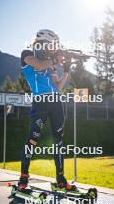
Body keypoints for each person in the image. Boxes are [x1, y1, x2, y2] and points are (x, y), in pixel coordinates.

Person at [18, 29, 73, 190]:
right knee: (33, 139)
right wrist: (56, 60)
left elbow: (58, 87)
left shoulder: (51, 63)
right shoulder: (27, 54)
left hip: (56, 102)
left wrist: (67, 70)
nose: (53, 49)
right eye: (51, 46)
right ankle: (23, 178)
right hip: (40, 102)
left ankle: (61, 179)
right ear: (42, 43)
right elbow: (40, 65)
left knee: (59, 141)